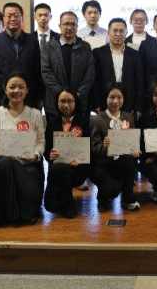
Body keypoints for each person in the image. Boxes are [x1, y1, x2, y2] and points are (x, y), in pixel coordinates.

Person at [0, 72, 45, 227]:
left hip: (27, 165)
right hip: (1, 163)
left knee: (10, 164)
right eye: (12, 87)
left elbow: (40, 142)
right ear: (5, 90)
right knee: (6, 162)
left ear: (27, 90)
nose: (17, 91)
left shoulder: (35, 114)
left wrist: (35, 156)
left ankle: (4, 214)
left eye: (21, 87)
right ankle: (16, 214)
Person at [0, 2, 44, 110]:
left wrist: (40, 95)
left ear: (22, 18)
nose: (13, 19)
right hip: (1, 99)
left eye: (16, 16)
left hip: (28, 99)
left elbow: (37, 71)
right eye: (9, 16)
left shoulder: (32, 41)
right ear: (4, 19)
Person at [89, 82, 140, 210]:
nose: (115, 101)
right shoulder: (97, 120)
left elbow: (132, 141)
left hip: (121, 162)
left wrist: (135, 149)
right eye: (111, 97)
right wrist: (104, 146)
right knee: (111, 189)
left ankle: (128, 199)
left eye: (119, 97)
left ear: (124, 99)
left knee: (129, 159)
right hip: (102, 164)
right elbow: (93, 148)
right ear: (105, 98)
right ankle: (103, 195)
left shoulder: (129, 117)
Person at [43, 88, 91, 219]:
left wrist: (79, 160)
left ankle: (69, 204)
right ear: (57, 103)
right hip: (57, 167)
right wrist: (50, 155)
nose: (66, 105)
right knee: (51, 206)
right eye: (62, 101)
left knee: (58, 169)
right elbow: (46, 149)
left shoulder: (84, 122)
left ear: (75, 102)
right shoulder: (52, 123)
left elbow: (89, 149)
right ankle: (67, 201)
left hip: (78, 168)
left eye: (70, 101)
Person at [41, 11, 95, 120]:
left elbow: (90, 74)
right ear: (59, 26)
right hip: (54, 103)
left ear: (77, 26)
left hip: (80, 103)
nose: (69, 27)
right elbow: (46, 72)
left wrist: (77, 95)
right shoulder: (48, 47)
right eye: (66, 24)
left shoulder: (85, 47)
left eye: (73, 24)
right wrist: (61, 94)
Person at [93, 18, 144, 116]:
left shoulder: (135, 55)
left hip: (128, 105)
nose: (118, 34)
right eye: (115, 31)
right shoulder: (98, 53)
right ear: (108, 32)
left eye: (121, 31)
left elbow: (139, 82)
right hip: (104, 103)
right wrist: (96, 104)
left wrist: (138, 107)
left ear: (126, 33)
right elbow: (95, 81)